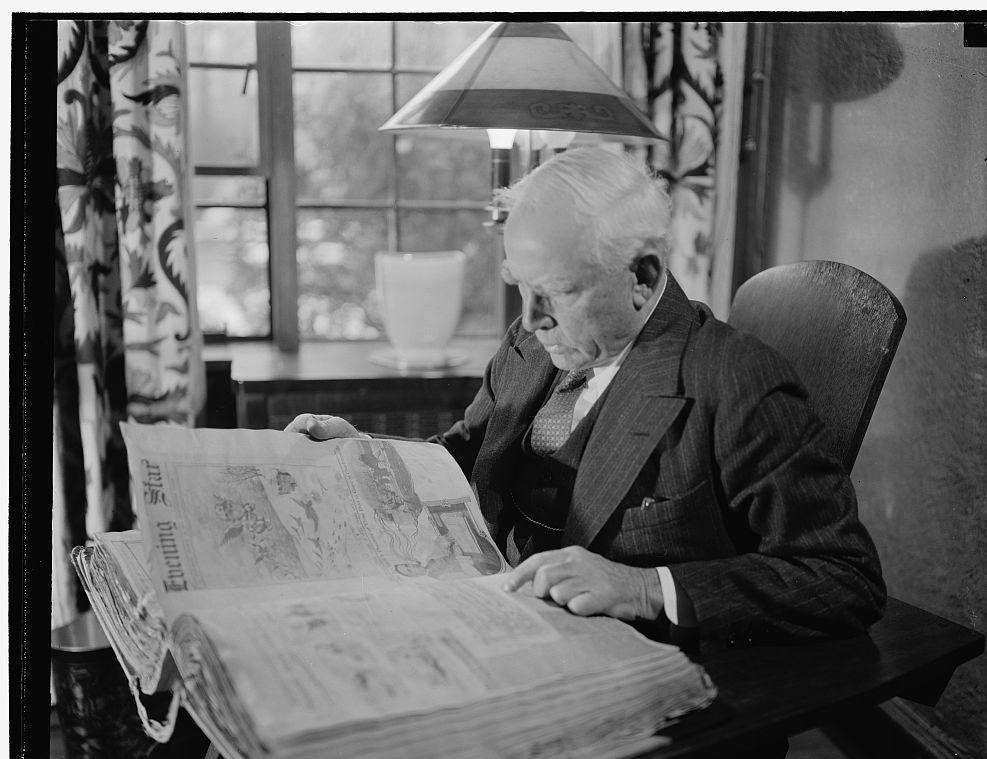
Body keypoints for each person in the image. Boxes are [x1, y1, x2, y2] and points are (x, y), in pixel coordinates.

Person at [286, 146, 885, 653]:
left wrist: (644, 586)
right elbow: (467, 451)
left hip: (628, 669)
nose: (529, 318)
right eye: (520, 287)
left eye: (556, 292)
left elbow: (844, 577)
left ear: (643, 277)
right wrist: (367, 455)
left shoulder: (735, 381)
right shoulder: (533, 339)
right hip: (490, 617)